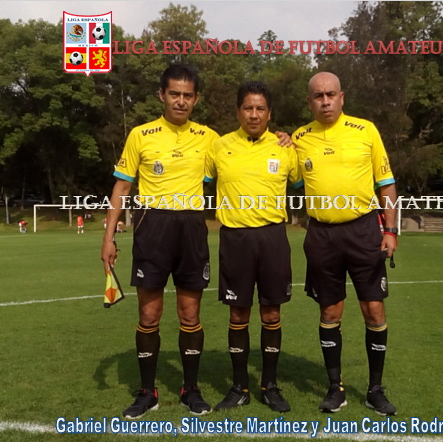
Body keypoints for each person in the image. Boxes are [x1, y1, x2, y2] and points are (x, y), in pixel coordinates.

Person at [101, 64, 219, 418]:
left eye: (187, 95)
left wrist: (282, 138)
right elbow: (122, 187)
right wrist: (108, 238)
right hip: (152, 227)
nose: (181, 101)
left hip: (192, 227)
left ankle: (191, 390)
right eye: (174, 94)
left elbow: (244, 153)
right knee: (149, 314)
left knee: (190, 313)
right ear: (161, 95)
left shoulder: (210, 138)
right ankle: (147, 392)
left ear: (196, 99)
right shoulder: (141, 135)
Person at [292, 72, 398, 416]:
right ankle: (335, 388)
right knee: (329, 311)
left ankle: (375, 390)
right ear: (309, 102)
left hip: (364, 231)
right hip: (321, 234)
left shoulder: (366, 130)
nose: (325, 101)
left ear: (342, 97)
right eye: (318, 96)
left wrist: (391, 230)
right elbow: (286, 176)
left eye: (330, 94)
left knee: (374, 309)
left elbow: (386, 184)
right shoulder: (299, 138)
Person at [205, 81, 302, 413]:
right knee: (238, 313)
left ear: (269, 113)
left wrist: (292, 139)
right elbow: (198, 182)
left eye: (261, 108)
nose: (254, 114)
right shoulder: (219, 147)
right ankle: (239, 387)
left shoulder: (285, 148)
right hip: (235, 239)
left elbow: (303, 181)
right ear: (238, 111)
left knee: (272, 312)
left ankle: (270, 386)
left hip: (273, 237)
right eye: (248, 108)